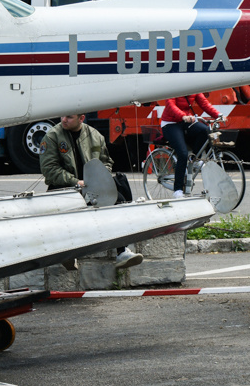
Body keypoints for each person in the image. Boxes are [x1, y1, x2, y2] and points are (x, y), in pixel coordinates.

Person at [39, 113, 142, 270]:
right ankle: (67, 254)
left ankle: (122, 252)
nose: (63, 120)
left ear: (81, 118)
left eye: (69, 117)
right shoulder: (52, 136)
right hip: (66, 186)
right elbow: (50, 169)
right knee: (63, 209)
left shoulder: (95, 135)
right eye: (62, 116)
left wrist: (99, 178)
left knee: (119, 200)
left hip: (92, 186)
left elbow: (106, 161)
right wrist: (75, 182)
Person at [159, 94, 226, 197]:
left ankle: (195, 159)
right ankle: (178, 190)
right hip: (170, 123)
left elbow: (204, 103)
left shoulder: (193, 87)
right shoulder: (174, 85)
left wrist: (218, 115)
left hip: (186, 120)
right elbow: (170, 105)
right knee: (183, 153)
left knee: (205, 130)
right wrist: (183, 116)